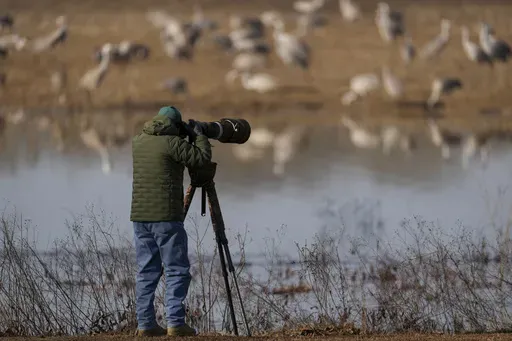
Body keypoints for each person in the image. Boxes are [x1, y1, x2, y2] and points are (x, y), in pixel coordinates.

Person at [130, 106, 212, 337]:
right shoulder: (172, 144)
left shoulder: (138, 141)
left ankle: (145, 325)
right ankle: (175, 322)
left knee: (147, 271)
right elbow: (202, 159)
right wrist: (198, 136)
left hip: (140, 218)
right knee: (177, 268)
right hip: (166, 217)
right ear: (175, 127)